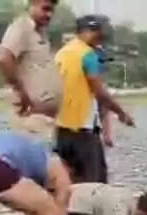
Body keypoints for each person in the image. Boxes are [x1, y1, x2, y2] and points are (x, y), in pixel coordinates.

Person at [53, 15, 134, 184]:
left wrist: (106, 132)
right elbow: (100, 93)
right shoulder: (87, 54)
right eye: (99, 33)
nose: (100, 38)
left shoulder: (61, 54)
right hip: (83, 131)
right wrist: (121, 113)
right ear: (89, 31)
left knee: (69, 181)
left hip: (62, 131)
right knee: (95, 184)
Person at [0, 0, 61, 140]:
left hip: (45, 120)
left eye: (52, 11)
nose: (49, 14)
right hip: (30, 119)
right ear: (32, 4)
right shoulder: (21, 27)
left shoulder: (41, 33)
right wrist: (20, 90)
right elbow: (3, 57)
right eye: (45, 9)